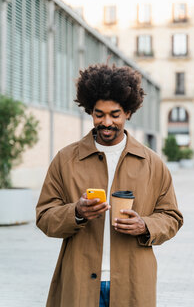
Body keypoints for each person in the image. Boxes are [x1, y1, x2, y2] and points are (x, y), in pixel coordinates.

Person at [36, 64, 183, 307]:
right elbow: (44, 216)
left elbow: (172, 216)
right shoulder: (65, 159)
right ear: (90, 111)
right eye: (98, 114)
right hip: (79, 282)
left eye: (114, 114)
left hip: (134, 283)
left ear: (128, 112)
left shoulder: (152, 163)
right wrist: (76, 213)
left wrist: (144, 225)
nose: (106, 122)